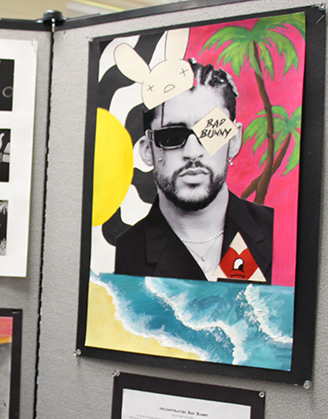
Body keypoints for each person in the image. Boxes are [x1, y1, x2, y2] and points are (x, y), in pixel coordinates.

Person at [114, 60, 274, 283]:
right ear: (147, 150)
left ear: (234, 140)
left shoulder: (278, 232)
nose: (192, 153)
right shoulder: (120, 254)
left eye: (210, 131)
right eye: (171, 136)